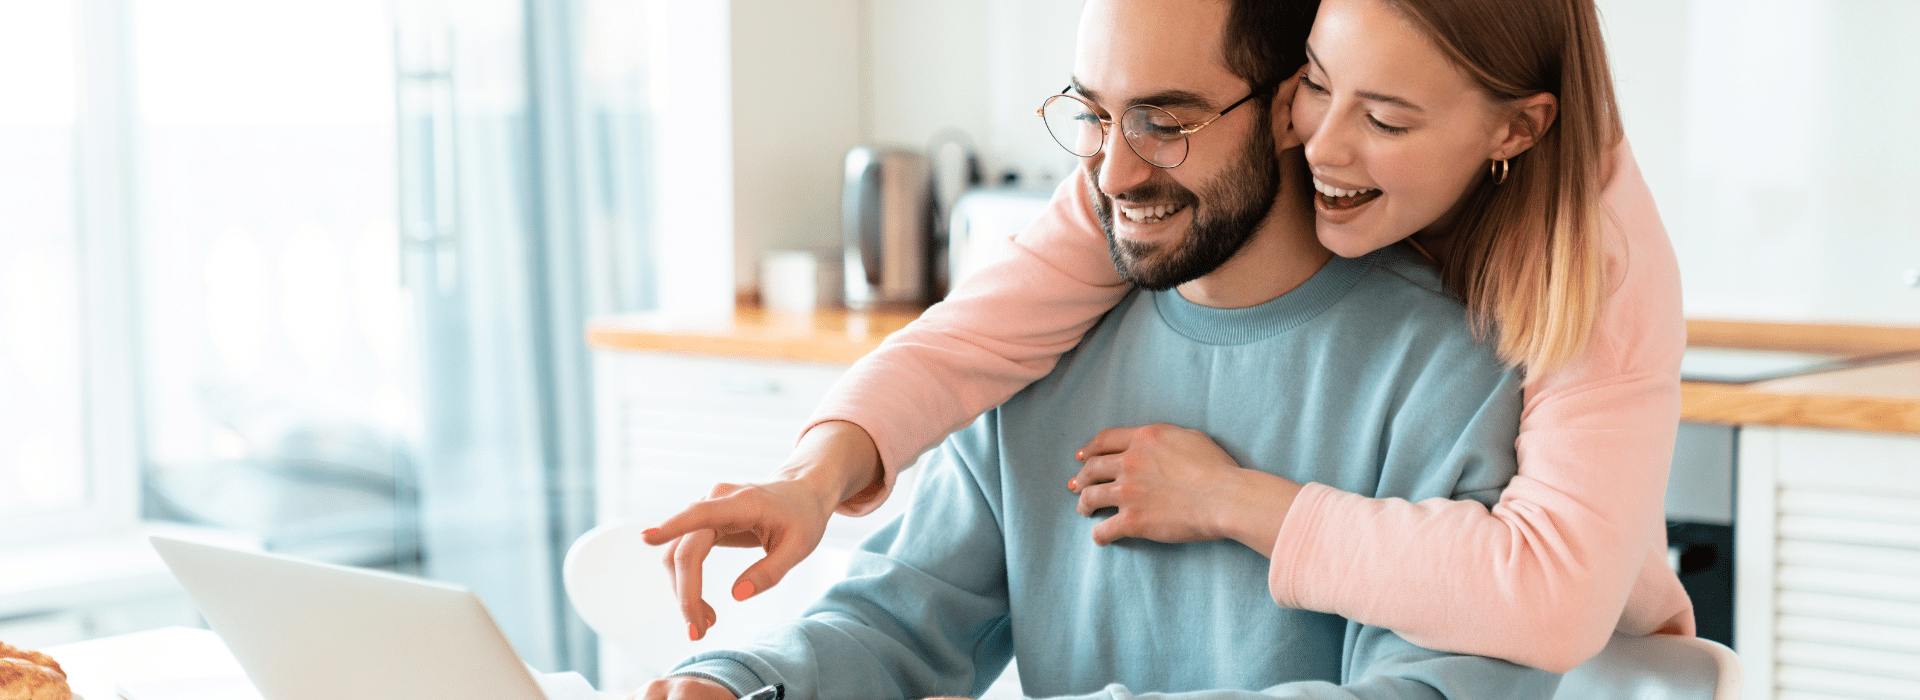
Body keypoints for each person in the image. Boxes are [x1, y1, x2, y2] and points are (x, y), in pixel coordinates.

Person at [647, 0, 1692, 674]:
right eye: (1096, 115)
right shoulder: (1062, 314)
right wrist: (754, 644)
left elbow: (1524, 620)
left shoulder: (1535, 313)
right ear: (1297, 93)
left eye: (1167, 120)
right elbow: (907, 595)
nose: (1113, 171)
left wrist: (1233, 501)